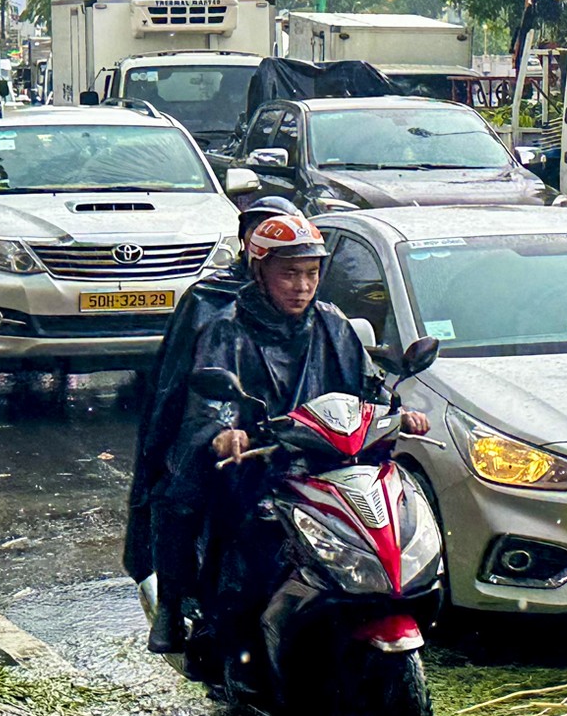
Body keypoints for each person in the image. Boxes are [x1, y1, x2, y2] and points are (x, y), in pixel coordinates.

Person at [157, 215, 428, 657]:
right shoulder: (227, 328)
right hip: (260, 464)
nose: (302, 286)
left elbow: (369, 384)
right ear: (260, 272)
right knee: (193, 509)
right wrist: (225, 432)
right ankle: (191, 613)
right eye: (289, 274)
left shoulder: (333, 323)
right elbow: (208, 399)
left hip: (330, 459)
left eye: (311, 273)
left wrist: (399, 412)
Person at [127, 194, 300, 654]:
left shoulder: (308, 299)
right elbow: (183, 379)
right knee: (179, 491)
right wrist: (215, 429)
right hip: (212, 420)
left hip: (295, 429)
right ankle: (170, 608)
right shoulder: (210, 299)